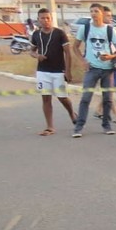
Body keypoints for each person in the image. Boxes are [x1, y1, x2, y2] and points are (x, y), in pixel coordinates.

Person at [72, 3, 116, 137]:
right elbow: (75, 47)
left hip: (107, 69)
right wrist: (82, 61)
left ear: (102, 13)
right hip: (91, 69)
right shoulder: (85, 28)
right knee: (86, 98)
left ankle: (106, 125)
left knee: (107, 99)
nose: (93, 13)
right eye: (91, 11)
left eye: (96, 11)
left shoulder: (110, 30)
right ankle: (79, 127)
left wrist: (110, 56)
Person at [29, 8, 76, 136]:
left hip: (58, 71)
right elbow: (32, 51)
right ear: (38, 20)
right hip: (43, 71)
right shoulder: (36, 34)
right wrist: (37, 56)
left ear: (51, 19)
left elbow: (67, 52)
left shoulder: (59, 33)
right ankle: (50, 126)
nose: (46, 21)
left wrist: (68, 71)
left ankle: (72, 113)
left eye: (48, 18)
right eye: (42, 18)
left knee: (62, 97)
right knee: (46, 98)